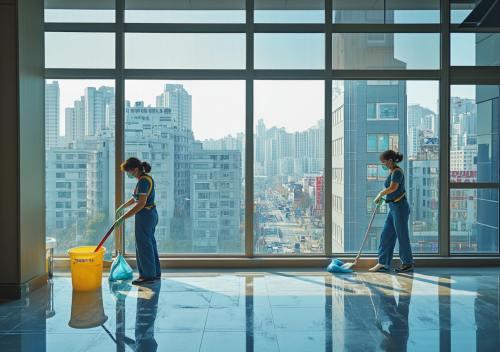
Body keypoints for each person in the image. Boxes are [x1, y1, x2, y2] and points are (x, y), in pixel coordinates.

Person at [115, 157, 161, 285]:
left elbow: (140, 203)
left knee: (143, 246)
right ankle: (155, 273)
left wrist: (122, 218)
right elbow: (136, 198)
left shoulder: (142, 182)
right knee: (150, 244)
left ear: (136, 169)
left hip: (145, 215)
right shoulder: (145, 179)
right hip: (150, 214)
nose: (128, 175)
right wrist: (122, 207)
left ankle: (147, 277)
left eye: (129, 172)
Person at [369, 150, 414, 273]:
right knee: (386, 235)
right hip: (393, 207)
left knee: (402, 235)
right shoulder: (392, 172)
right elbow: (392, 190)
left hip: (400, 207)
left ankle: (407, 263)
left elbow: (393, 187)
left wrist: (381, 194)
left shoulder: (397, 172)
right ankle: (383, 263)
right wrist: (384, 197)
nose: (383, 165)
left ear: (390, 161)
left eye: (384, 162)